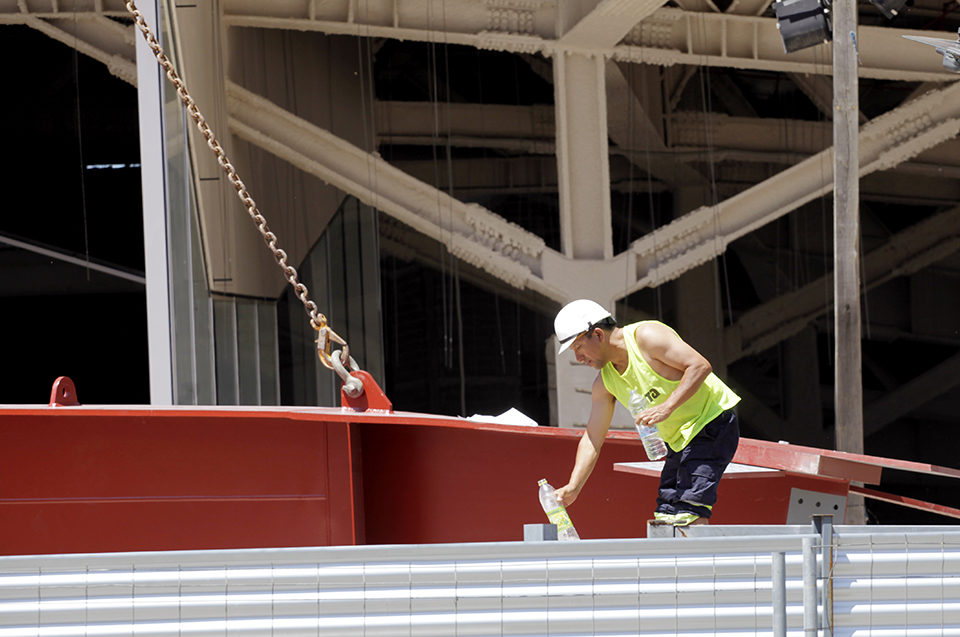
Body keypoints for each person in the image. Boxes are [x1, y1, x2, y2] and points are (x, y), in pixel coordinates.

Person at [552, 299, 741, 527]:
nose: (578, 358)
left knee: (688, 512)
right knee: (665, 513)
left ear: (598, 334)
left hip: (711, 422)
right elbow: (593, 437)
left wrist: (667, 407)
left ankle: (698, 546)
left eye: (578, 348)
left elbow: (699, 366)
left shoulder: (647, 336)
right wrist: (574, 486)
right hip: (678, 441)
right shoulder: (604, 383)